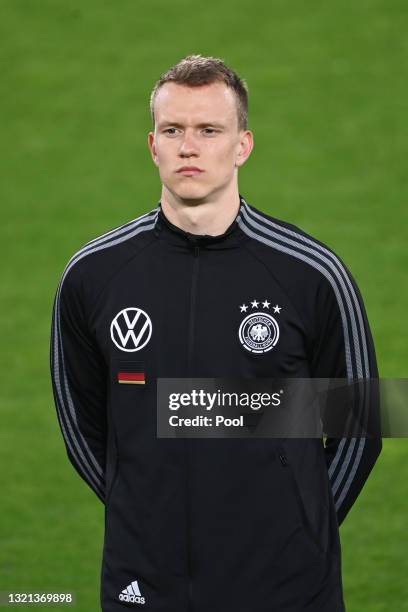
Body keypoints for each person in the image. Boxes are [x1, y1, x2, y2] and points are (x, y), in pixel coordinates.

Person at [50, 54, 382, 611]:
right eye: (173, 130)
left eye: (209, 130)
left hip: (287, 587)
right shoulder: (93, 276)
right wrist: (146, 518)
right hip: (144, 583)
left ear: (243, 145)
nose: (189, 146)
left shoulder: (312, 274)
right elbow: (84, 430)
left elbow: (358, 427)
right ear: (152, 145)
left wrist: (301, 530)